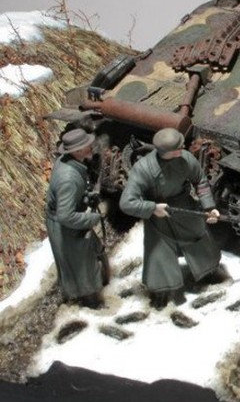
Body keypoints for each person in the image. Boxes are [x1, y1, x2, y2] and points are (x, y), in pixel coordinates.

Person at [119, 127, 224, 309]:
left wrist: (209, 207)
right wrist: (152, 208)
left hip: (184, 206)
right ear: (167, 151)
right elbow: (127, 203)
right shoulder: (143, 169)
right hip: (159, 212)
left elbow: (200, 180)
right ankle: (162, 291)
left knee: (199, 237)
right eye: (179, 147)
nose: (183, 148)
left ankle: (208, 272)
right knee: (159, 252)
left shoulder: (186, 159)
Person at [45, 128, 108, 309]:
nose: (91, 146)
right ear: (78, 151)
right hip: (66, 227)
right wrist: (91, 218)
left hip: (68, 221)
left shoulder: (68, 161)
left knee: (91, 256)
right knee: (82, 271)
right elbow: (66, 215)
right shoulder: (68, 179)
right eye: (87, 145)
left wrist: (86, 196)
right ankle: (92, 307)